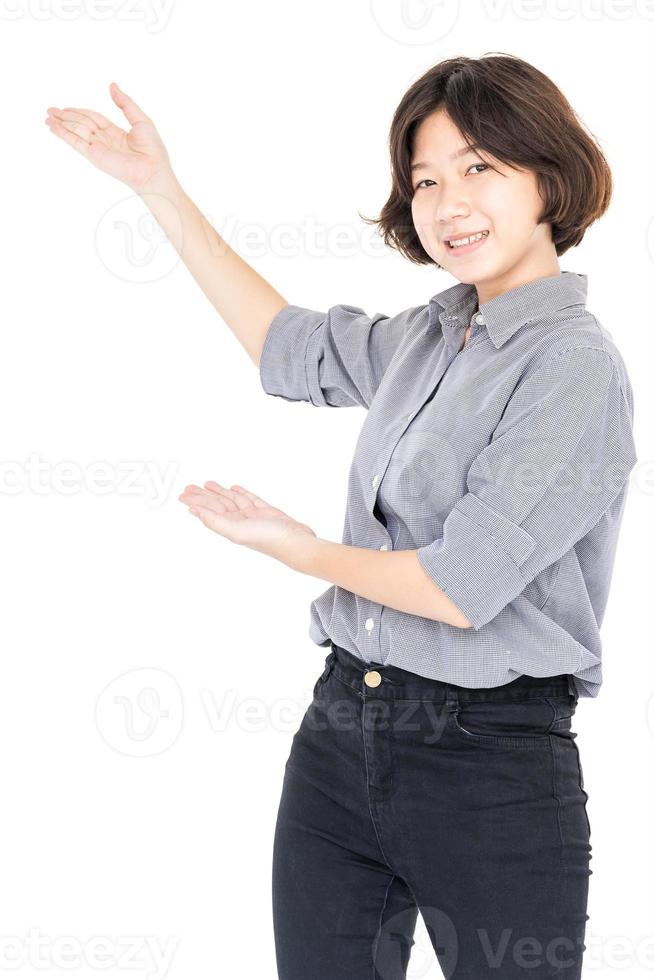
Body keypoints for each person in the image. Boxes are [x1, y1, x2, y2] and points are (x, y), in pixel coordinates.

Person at [45, 53, 638, 980]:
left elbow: (458, 585)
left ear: (548, 177)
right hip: (339, 733)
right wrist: (159, 190)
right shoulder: (431, 336)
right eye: (426, 179)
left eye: (481, 167)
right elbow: (284, 345)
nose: (450, 205)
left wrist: (297, 549)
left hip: (490, 767)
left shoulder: (573, 366)